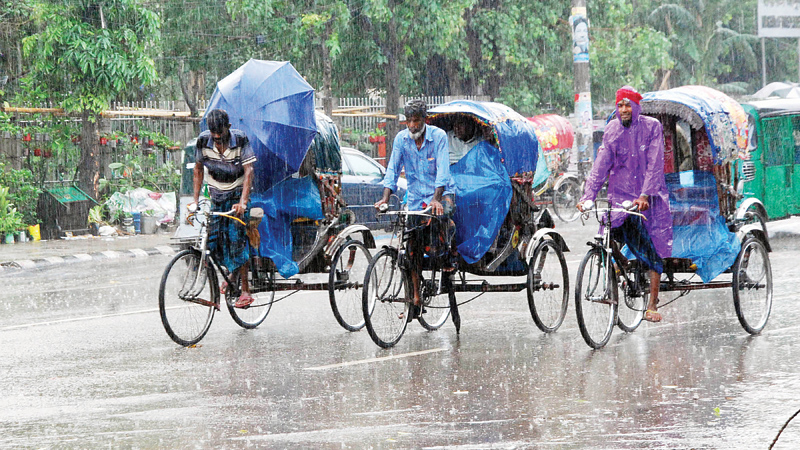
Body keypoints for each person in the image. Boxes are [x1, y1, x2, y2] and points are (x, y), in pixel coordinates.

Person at [577, 86, 673, 322]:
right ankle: (621, 266)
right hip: (619, 196)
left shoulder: (652, 127)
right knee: (606, 238)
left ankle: (652, 304)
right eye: (619, 105)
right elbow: (601, 164)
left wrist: (645, 194)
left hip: (648, 197)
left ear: (636, 106)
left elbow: (654, 163)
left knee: (652, 250)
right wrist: (588, 195)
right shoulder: (612, 129)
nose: (623, 109)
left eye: (628, 104)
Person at [374, 99, 455, 320]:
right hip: (416, 198)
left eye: (416, 121)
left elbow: (443, 171)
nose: (412, 125)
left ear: (424, 120)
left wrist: (436, 199)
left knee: (439, 226)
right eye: (408, 121)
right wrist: (384, 199)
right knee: (410, 248)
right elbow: (392, 170)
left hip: (441, 194)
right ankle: (415, 298)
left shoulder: (438, 137)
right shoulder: (401, 140)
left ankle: (448, 258)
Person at [191, 109, 257, 309]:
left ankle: (245, 290)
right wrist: (195, 201)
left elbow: (249, 170)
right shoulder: (203, 141)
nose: (217, 139)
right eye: (214, 135)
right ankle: (230, 276)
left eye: (221, 134)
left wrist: (243, 202)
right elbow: (198, 170)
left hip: (237, 195)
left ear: (228, 127)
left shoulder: (240, 139)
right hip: (216, 195)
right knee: (213, 241)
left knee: (236, 239)